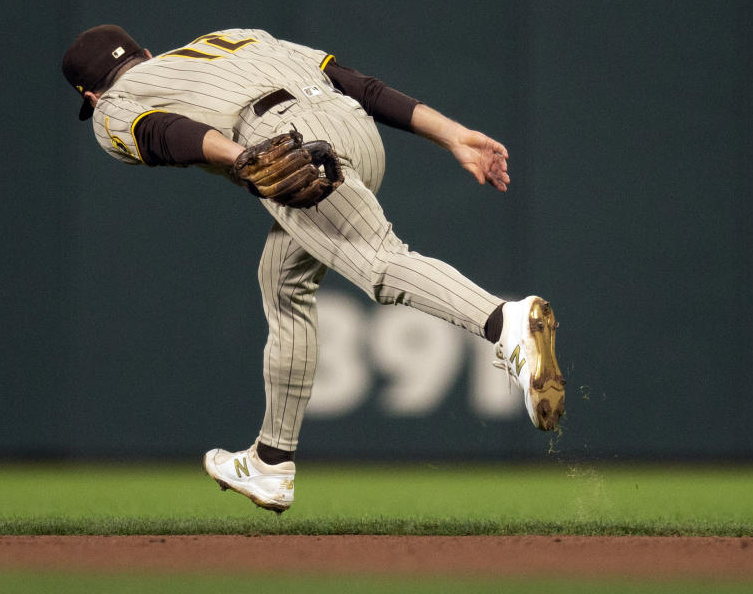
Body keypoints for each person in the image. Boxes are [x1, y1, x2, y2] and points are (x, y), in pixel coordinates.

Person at [62, 25, 566, 513]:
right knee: (282, 281)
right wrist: (453, 134)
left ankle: (506, 321)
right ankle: (271, 462)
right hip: (352, 126)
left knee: (379, 262)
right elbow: (356, 84)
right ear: (146, 54)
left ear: (88, 94)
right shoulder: (236, 37)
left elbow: (163, 133)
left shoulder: (110, 107)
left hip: (283, 143)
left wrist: (245, 158)